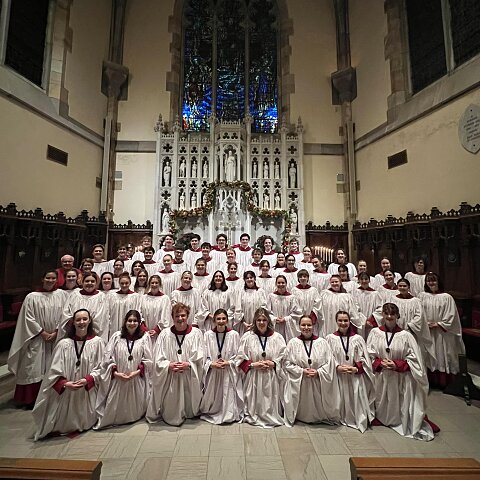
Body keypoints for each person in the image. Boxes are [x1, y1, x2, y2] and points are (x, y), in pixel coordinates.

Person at [32, 309, 104, 440]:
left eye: (84, 319)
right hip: (67, 390)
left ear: (90, 321)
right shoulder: (64, 344)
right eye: (78, 320)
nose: (81, 322)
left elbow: (102, 367)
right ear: (73, 323)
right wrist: (65, 384)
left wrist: (88, 379)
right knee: (62, 422)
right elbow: (53, 371)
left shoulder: (97, 342)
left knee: (87, 420)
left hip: (86, 389)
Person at [367, 303, 435, 441]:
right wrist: (379, 362)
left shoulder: (406, 336)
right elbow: (369, 354)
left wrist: (397, 364)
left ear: (398, 316)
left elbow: (415, 360)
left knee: (397, 399)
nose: (389, 316)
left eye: (392, 314)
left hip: (400, 377)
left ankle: (397, 418)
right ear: (383, 315)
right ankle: (381, 416)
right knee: (381, 398)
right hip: (381, 375)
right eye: (386, 313)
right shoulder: (375, 333)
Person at [8, 270, 65, 407]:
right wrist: (42, 333)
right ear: (42, 279)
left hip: (55, 338)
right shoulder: (32, 296)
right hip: (37, 338)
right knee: (33, 367)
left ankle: (51, 398)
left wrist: (57, 331)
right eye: (48, 278)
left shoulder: (61, 295)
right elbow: (28, 317)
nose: (50, 280)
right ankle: (31, 399)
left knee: (53, 367)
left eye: (53, 278)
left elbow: (65, 314)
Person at [146, 303, 204, 426]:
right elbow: (158, 357)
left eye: (183, 315)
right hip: (170, 375)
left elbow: (201, 356)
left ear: (188, 316)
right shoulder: (165, 334)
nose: (180, 319)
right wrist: (168, 365)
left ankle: (189, 411)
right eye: (177, 316)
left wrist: (189, 364)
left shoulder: (196, 333)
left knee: (189, 404)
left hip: (188, 374)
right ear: (172, 317)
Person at [95, 310, 152, 429]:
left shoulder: (144, 337)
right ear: (125, 322)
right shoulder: (117, 336)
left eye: (135, 321)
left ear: (139, 322)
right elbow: (107, 356)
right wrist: (115, 372)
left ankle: (134, 416)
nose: (132, 323)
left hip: (136, 378)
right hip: (118, 377)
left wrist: (136, 372)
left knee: (134, 408)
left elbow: (148, 359)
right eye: (129, 320)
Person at [283, 315, 340, 426]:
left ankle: (319, 415)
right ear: (299, 326)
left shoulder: (322, 342)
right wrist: (301, 371)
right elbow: (286, 363)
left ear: (313, 326)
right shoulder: (293, 343)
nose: (306, 327)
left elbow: (330, 363)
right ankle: (300, 415)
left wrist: (318, 372)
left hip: (317, 379)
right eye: (303, 325)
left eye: (309, 325)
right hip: (301, 380)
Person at [237, 308, 286, 428]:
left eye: (264, 319)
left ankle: (270, 415)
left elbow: (284, 356)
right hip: (254, 375)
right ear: (254, 321)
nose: (261, 322)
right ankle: (254, 414)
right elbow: (240, 357)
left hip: (271, 376)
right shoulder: (248, 336)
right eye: (258, 320)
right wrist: (253, 365)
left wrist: (273, 363)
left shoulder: (277, 337)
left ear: (268, 321)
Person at [326, 311, 374, 433]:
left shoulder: (358, 339)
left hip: (354, 376)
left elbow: (365, 359)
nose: (343, 323)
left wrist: (356, 367)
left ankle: (355, 417)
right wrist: (336, 367)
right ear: (336, 321)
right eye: (340, 320)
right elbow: (327, 358)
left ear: (350, 321)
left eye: (345, 320)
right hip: (338, 376)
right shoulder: (330, 338)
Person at [418, 272, 466, 388]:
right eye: (429, 281)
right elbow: (418, 312)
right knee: (429, 354)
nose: (431, 283)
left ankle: (444, 381)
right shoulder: (422, 296)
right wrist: (424, 324)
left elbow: (451, 315)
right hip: (427, 331)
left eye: (433, 280)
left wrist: (439, 324)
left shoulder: (447, 297)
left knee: (442, 353)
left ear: (439, 281)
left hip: (442, 332)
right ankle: (431, 380)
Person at [200, 309, 243, 424]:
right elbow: (203, 355)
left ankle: (228, 413)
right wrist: (211, 364)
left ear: (227, 320)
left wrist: (229, 362)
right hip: (214, 371)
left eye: (224, 318)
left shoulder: (234, 335)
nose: (221, 321)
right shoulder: (208, 335)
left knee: (227, 394)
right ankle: (214, 410)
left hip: (228, 370)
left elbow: (239, 355)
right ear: (214, 320)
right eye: (218, 319)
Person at [60, 273, 110, 343]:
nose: (89, 283)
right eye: (87, 281)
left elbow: (102, 317)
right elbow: (66, 313)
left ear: (96, 283)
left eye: (92, 281)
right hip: (74, 334)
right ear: (82, 282)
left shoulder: (101, 297)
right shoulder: (74, 295)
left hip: (92, 336)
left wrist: (88, 329)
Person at [267, 275, 302, 342]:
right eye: (279, 283)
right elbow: (267, 312)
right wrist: (274, 318)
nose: (281, 284)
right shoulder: (271, 296)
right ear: (276, 284)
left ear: (286, 284)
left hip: (288, 327)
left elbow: (297, 313)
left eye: (283, 283)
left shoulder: (292, 297)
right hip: (275, 326)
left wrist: (286, 319)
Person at [233, 271, 267, 337]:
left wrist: (255, 323)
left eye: (251, 277)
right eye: (247, 278)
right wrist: (244, 323)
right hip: (244, 325)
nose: (249, 279)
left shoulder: (260, 291)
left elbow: (263, 308)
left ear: (254, 279)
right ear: (244, 280)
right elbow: (238, 308)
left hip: (258, 324)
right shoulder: (241, 292)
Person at [108, 273, 140, 339]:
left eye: (126, 283)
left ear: (130, 283)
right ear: (119, 283)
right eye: (122, 283)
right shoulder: (112, 296)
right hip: (115, 325)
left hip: (130, 325)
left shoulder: (135, 296)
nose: (124, 285)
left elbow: (137, 312)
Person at [292, 270, 321, 336]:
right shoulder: (294, 290)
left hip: (311, 320)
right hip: (298, 320)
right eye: (300, 276)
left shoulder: (313, 290)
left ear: (308, 278)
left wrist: (312, 317)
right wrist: (300, 317)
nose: (303, 278)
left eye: (304, 276)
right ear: (298, 278)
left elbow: (317, 305)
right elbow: (293, 305)